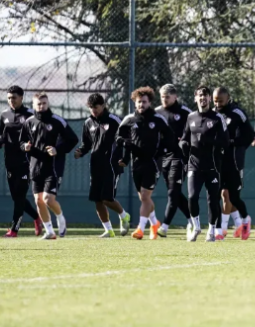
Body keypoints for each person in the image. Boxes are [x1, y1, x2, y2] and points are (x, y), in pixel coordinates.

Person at [120, 87, 178, 240]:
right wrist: (124, 150)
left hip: (153, 163)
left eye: (144, 102)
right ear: (135, 103)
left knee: (145, 196)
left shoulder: (157, 119)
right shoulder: (130, 119)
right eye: (139, 102)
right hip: (136, 163)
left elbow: (170, 137)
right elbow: (120, 135)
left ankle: (140, 229)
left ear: (150, 103)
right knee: (144, 198)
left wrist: (161, 151)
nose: (141, 105)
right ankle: (154, 223)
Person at [20, 92, 78, 240]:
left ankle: (60, 217)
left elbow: (72, 139)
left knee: (48, 199)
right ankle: (49, 231)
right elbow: (21, 142)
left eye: (44, 103)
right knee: (38, 200)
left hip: (53, 167)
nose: (41, 106)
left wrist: (57, 149)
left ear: (48, 104)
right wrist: (25, 146)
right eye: (38, 104)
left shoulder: (57, 121)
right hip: (35, 167)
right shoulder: (29, 122)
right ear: (33, 105)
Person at [75, 93, 132, 238]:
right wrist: (80, 151)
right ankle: (108, 230)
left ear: (103, 106)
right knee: (97, 199)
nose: (93, 110)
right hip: (96, 165)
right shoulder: (88, 123)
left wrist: (125, 158)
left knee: (107, 198)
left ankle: (124, 215)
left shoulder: (114, 120)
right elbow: (86, 144)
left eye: (96, 107)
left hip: (112, 165)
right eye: (91, 107)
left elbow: (127, 139)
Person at [180, 86, 228, 242]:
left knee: (212, 200)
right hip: (194, 165)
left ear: (209, 99)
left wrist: (210, 141)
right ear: (196, 98)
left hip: (212, 166)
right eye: (200, 95)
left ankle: (212, 230)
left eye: (205, 95)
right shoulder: (191, 117)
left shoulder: (217, 118)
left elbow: (225, 141)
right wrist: (183, 144)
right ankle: (196, 227)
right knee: (192, 196)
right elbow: (184, 137)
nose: (203, 98)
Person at [0, 86, 43, 237]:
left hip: (26, 161)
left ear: (21, 98)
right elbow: (0, 133)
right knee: (16, 197)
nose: (11, 100)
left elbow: (39, 134)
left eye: (14, 98)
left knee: (20, 196)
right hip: (10, 161)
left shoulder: (30, 114)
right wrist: (0, 140)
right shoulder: (4, 115)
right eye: (9, 98)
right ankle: (36, 217)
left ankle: (14, 229)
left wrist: (31, 145)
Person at [213, 87, 255, 240]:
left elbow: (249, 136)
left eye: (221, 101)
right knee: (216, 195)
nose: (218, 104)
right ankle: (219, 229)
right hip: (217, 161)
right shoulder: (213, 113)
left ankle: (245, 219)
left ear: (228, 98)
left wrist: (233, 144)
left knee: (234, 197)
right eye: (215, 101)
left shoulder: (237, 113)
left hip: (234, 161)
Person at [155, 84, 192, 238]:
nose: (164, 99)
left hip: (180, 157)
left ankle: (164, 226)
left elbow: (194, 131)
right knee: (174, 192)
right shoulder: (157, 112)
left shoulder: (185, 112)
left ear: (175, 96)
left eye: (167, 96)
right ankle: (192, 219)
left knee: (172, 192)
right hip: (163, 158)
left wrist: (185, 141)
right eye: (162, 96)